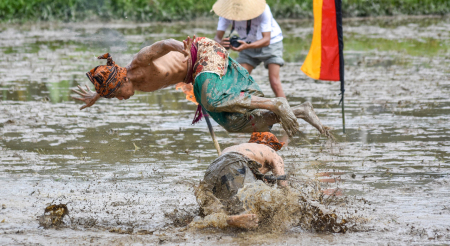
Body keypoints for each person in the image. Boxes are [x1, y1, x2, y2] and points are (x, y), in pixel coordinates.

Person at [71, 36, 330, 137]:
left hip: (201, 54)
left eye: (116, 95)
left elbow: (160, 45)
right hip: (195, 76)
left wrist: (178, 47)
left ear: (123, 80)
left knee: (213, 101)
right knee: (231, 122)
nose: (121, 99)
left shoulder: (139, 62)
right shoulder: (123, 82)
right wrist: (97, 95)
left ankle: (277, 103)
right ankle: (301, 111)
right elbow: (112, 86)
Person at [193, 132, 287, 230]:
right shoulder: (272, 152)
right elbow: (283, 185)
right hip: (236, 163)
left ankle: (223, 220)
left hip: (212, 169)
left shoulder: (236, 148)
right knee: (249, 210)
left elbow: (226, 172)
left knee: (213, 209)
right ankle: (235, 219)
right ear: (273, 146)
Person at [213, 0, 286, 97]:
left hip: (271, 44)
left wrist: (247, 46)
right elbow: (217, 38)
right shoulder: (227, 12)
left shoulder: (262, 10)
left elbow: (266, 39)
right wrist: (221, 43)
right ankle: (240, 110)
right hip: (247, 45)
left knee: (274, 82)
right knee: (238, 80)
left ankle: (287, 111)